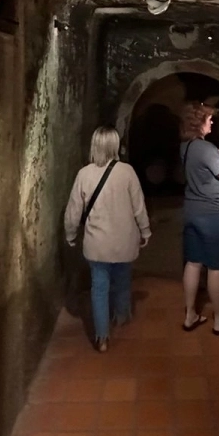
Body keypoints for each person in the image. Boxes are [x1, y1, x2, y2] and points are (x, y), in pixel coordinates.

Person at [64, 126, 151, 352]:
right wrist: (145, 230)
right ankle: (121, 316)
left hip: (97, 243)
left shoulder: (84, 174)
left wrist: (70, 234)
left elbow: (74, 210)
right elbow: (138, 206)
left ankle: (102, 336)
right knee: (122, 279)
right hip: (124, 240)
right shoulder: (127, 172)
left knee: (99, 288)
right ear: (115, 145)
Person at [179, 102, 219, 335]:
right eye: (208, 118)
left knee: (193, 262)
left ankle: (190, 315)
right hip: (211, 213)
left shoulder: (187, 146)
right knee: (215, 267)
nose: (212, 121)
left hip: (192, 210)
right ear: (199, 123)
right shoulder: (204, 148)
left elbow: (207, 164)